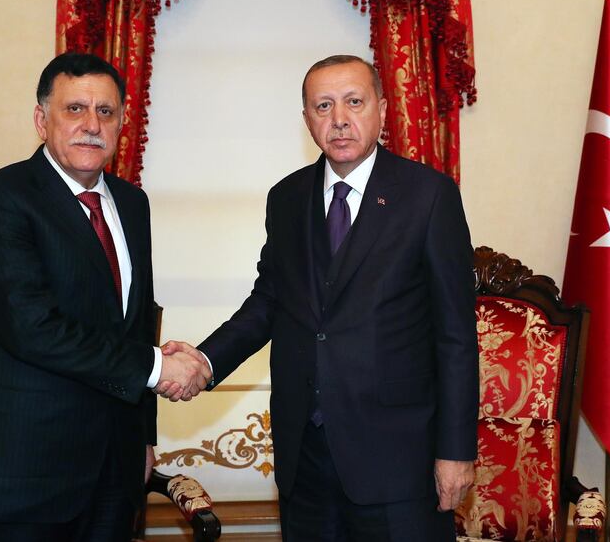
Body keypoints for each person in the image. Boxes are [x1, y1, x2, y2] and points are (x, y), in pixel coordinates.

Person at [166, 55, 479, 541]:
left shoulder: (428, 195)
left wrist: (456, 450)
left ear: (381, 107)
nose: (339, 119)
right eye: (323, 106)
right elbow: (269, 301)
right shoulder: (287, 198)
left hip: (398, 458)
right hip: (304, 458)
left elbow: (456, 335)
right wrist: (206, 361)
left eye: (354, 102)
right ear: (307, 119)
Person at [0, 52, 211, 542]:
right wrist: (159, 369)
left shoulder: (132, 203)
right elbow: (32, 328)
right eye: (75, 109)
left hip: (115, 472)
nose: (92, 125)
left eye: (106, 112)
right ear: (41, 119)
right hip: (25, 472)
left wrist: (146, 439)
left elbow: (134, 328)